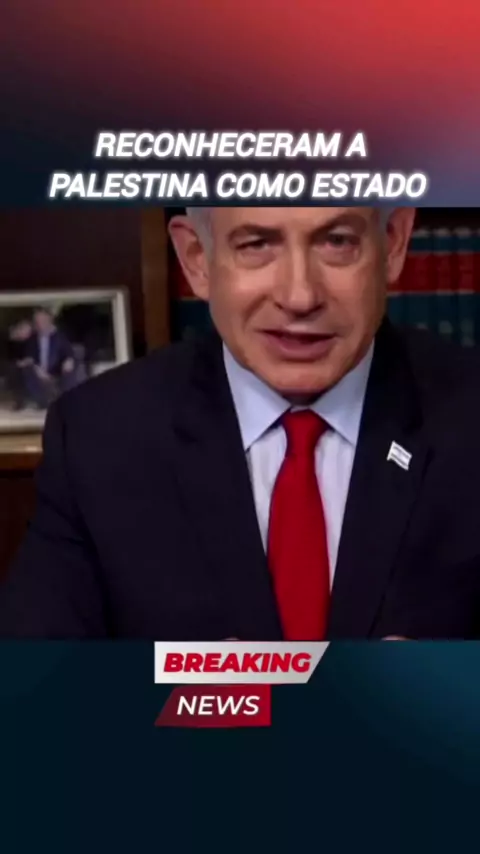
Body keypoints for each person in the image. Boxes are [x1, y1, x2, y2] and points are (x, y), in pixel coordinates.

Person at [1, 206, 480, 640]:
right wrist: (172, 696)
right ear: (196, 259)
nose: (300, 296)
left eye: (337, 241)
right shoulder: (98, 435)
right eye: (256, 244)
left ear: (393, 243)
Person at [23, 308, 77, 409]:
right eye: (37, 322)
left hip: (57, 371)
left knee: (69, 370)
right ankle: (42, 402)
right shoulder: (32, 339)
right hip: (39, 373)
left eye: (42, 321)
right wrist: (37, 369)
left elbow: (69, 353)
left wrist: (68, 361)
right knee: (27, 370)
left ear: (49, 320)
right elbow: (29, 357)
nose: (40, 325)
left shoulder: (60, 336)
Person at [5, 319, 33, 410]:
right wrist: (18, 362)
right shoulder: (10, 341)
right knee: (13, 369)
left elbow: (31, 356)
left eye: (28, 331)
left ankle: (22, 400)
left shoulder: (30, 342)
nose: (26, 333)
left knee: (22, 371)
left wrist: (24, 362)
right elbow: (8, 356)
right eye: (24, 330)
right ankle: (19, 400)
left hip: (27, 365)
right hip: (13, 365)